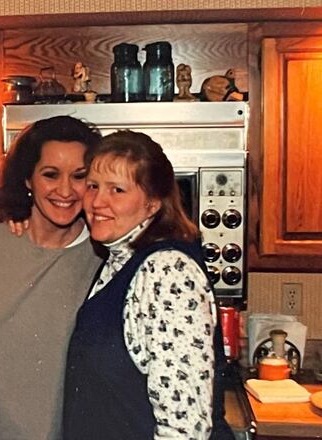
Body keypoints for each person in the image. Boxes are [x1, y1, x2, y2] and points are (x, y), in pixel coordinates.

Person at [62, 130, 232, 439]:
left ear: (153, 204)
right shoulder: (121, 257)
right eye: (93, 186)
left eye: (117, 190)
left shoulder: (167, 272)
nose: (98, 201)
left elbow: (185, 428)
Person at [0, 116, 103, 439]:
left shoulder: (105, 253)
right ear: (28, 179)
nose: (65, 190)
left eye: (79, 177)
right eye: (50, 174)